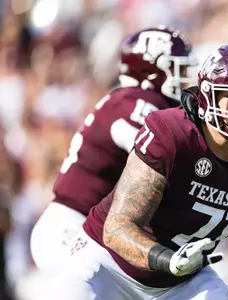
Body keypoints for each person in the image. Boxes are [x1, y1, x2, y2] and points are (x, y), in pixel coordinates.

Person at [49, 43, 228, 300]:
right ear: (208, 95)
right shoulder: (171, 135)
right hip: (108, 265)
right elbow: (118, 229)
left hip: (181, 280)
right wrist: (168, 260)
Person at [30, 25, 197, 275]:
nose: (185, 78)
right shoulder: (138, 101)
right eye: (178, 69)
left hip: (86, 229)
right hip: (71, 228)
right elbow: (145, 149)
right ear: (151, 71)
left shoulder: (133, 100)